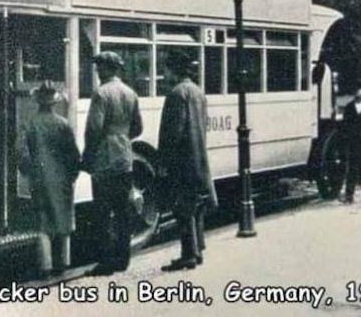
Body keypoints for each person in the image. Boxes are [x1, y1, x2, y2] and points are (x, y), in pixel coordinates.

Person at [82, 51, 143, 275]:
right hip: (125, 157)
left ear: (110, 69)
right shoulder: (130, 92)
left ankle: (106, 262)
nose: (98, 72)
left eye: (100, 68)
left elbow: (94, 129)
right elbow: (138, 128)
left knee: (102, 211)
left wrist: (88, 156)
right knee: (122, 210)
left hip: (104, 158)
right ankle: (123, 259)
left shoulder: (101, 93)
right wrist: (122, 138)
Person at [158, 52, 218, 271]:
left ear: (174, 70)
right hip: (198, 154)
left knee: (183, 208)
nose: (164, 74)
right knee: (196, 206)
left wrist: (164, 159)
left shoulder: (176, 93)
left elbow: (173, 131)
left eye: (166, 69)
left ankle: (189, 254)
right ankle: (198, 249)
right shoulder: (198, 92)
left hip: (181, 158)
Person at [19, 81, 81, 278]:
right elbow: (73, 154)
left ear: (38, 102)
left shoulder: (29, 124)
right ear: (54, 103)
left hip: (40, 178)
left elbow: (21, 153)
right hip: (62, 177)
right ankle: (63, 263)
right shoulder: (63, 124)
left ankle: (45, 267)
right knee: (63, 219)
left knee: (43, 223)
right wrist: (72, 175)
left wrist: (29, 172)